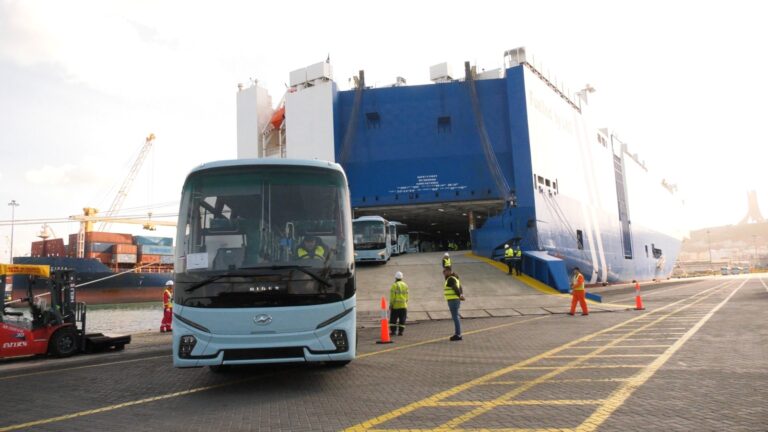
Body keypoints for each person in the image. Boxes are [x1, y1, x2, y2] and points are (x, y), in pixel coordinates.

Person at [443, 267, 465, 341]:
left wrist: (460, 296)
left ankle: (458, 334)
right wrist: (461, 295)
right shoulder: (455, 278)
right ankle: (458, 334)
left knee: (455, 317)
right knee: (456, 316)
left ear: (449, 271)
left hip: (453, 300)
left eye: (444, 272)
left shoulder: (450, 279)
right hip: (454, 300)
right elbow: (460, 287)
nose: (444, 273)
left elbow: (455, 288)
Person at [389, 271, 409, 336]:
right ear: (402, 278)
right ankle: (401, 332)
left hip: (395, 306)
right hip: (403, 306)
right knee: (402, 320)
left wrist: (391, 304)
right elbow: (407, 296)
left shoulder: (394, 285)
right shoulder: (405, 285)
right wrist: (406, 303)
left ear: (395, 278)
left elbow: (392, 297)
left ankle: (393, 332)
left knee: (393, 320)